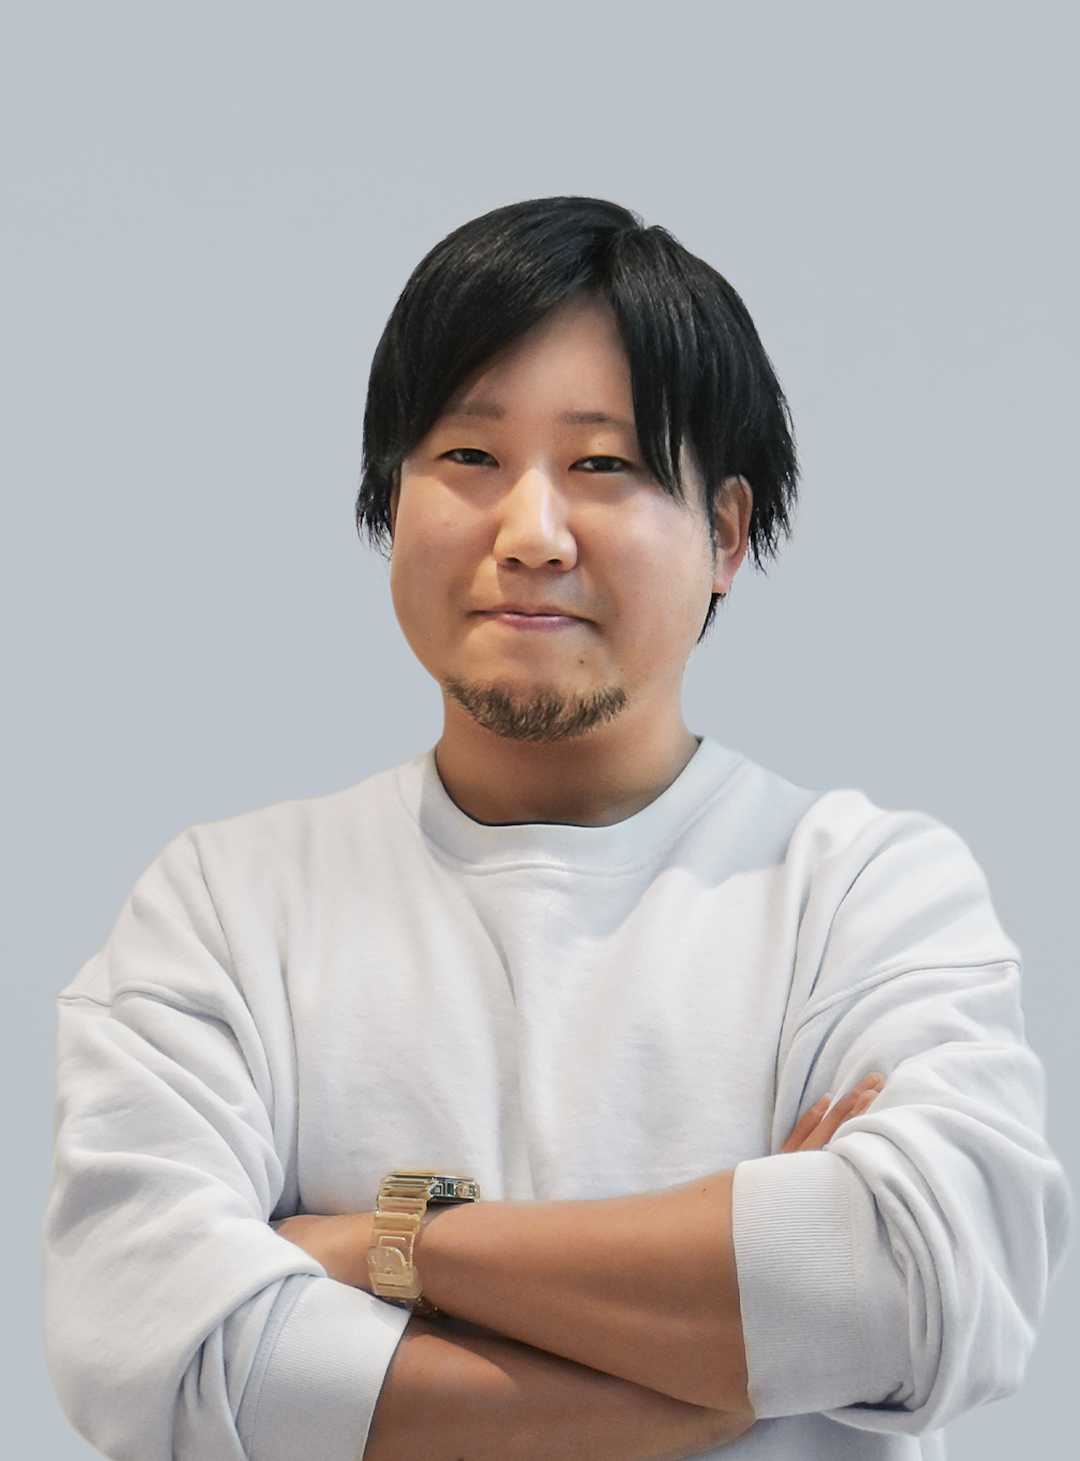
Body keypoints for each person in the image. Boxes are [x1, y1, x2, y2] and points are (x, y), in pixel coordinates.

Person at [43, 196, 1073, 1461]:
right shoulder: (222, 906)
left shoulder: (864, 892)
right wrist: (734, 1367)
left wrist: (383, 1244)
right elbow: (161, 1355)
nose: (530, 535)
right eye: (469, 457)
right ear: (392, 503)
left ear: (726, 534)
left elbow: (919, 1291)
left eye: (603, 466)